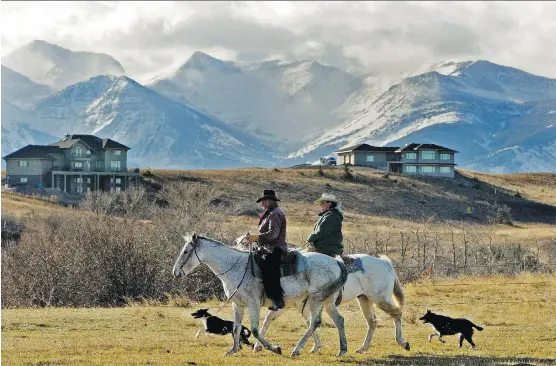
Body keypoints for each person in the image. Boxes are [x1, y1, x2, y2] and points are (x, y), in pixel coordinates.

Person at [246, 189, 288, 310]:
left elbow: (273, 235)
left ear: (269, 201)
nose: (262, 204)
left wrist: (257, 237)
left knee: (268, 267)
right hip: (267, 247)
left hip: (275, 248)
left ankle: (277, 299)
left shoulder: (274, 213)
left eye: (263, 201)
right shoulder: (270, 213)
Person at [306, 193, 344, 257]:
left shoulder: (331, 215)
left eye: (323, 202)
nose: (321, 205)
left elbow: (321, 232)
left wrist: (309, 239)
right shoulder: (329, 214)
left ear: (329, 204)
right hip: (325, 248)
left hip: (327, 249)